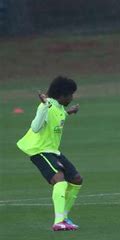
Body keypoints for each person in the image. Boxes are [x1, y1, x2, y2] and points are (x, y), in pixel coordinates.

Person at [17, 76, 83, 231]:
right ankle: (58, 221)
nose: (72, 98)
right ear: (61, 95)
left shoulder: (59, 107)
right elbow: (35, 127)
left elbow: (57, 117)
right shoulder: (45, 106)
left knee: (76, 179)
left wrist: (68, 112)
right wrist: (44, 105)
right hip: (39, 150)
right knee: (59, 179)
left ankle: (64, 218)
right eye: (70, 95)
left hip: (53, 151)